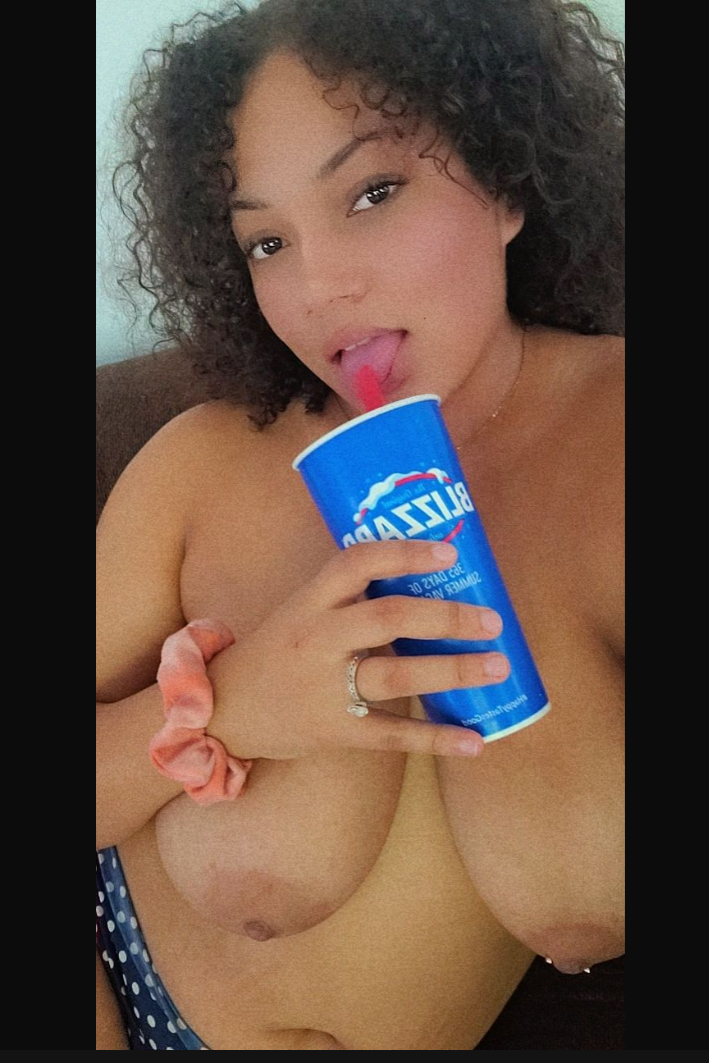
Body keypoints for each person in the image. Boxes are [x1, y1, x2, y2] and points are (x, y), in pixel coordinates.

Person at [96, 0, 625, 1050]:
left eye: (372, 193)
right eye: (266, 241)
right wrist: (232, 710)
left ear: (505, 177)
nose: (318, 288)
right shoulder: (203, 462)